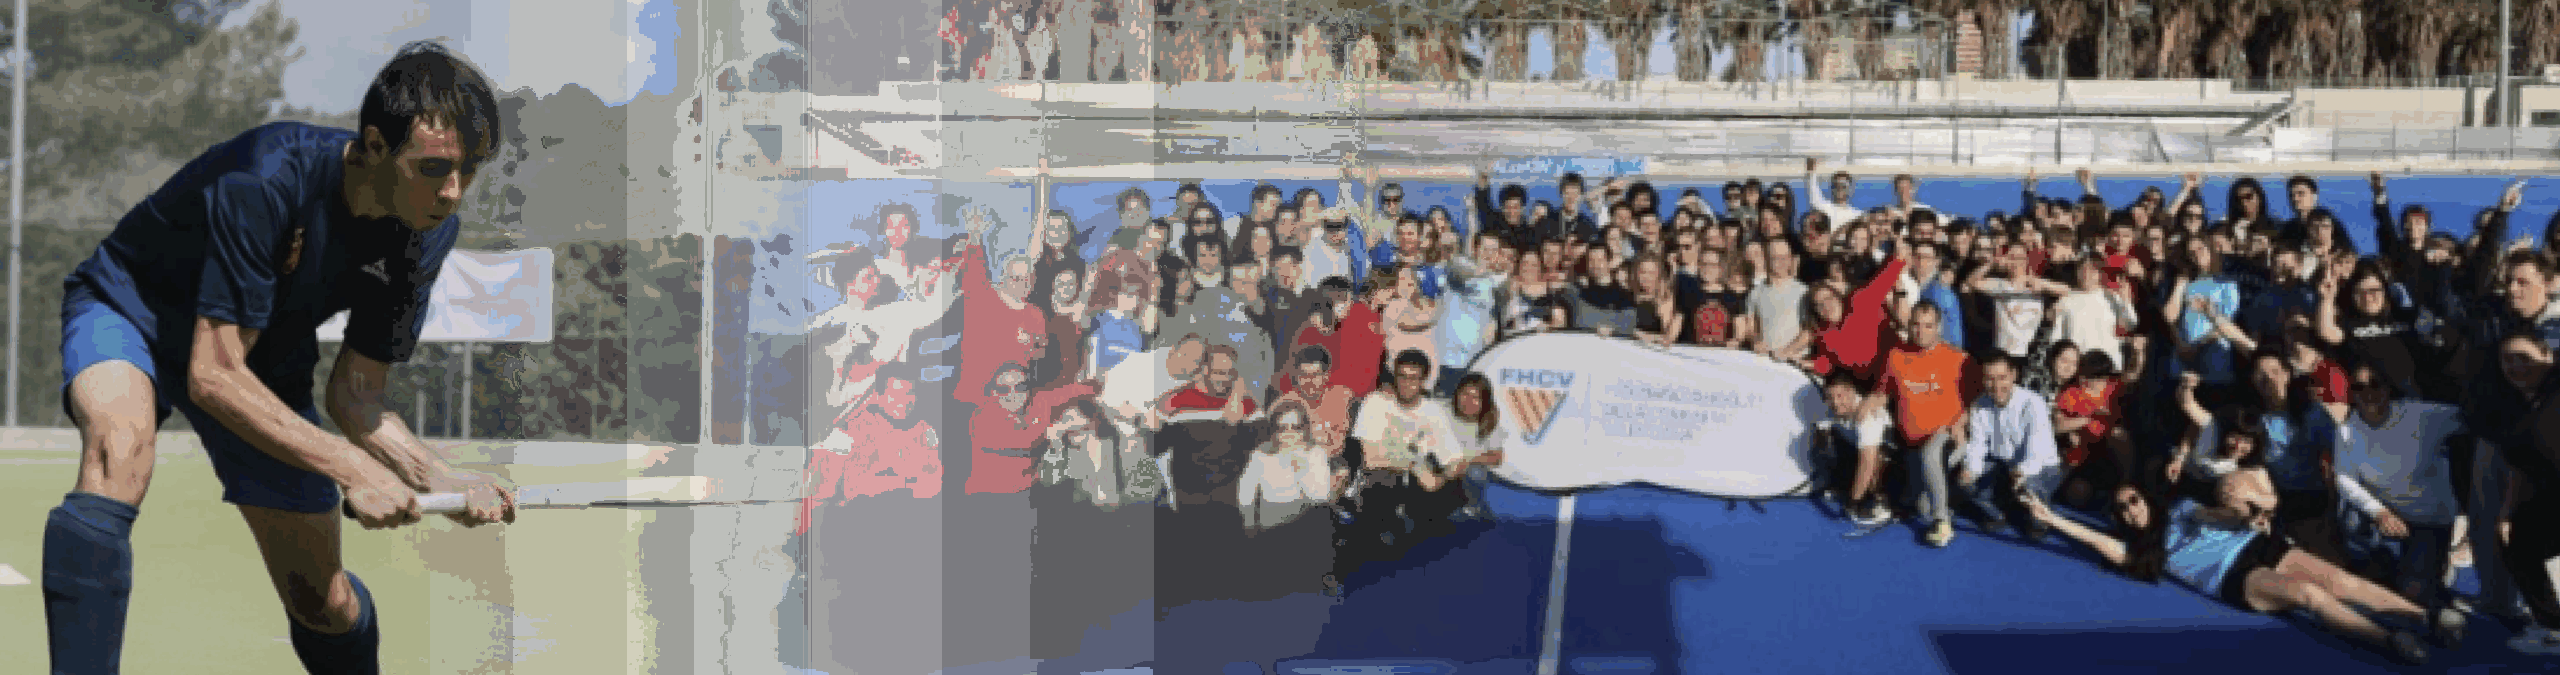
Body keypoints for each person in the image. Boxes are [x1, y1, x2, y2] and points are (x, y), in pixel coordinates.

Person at [44, 41, 519, 675]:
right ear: (374, 145)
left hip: (261, 357)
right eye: (434, 168)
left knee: (324, 602)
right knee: (118, 451)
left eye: (470, 170)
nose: (454, 192)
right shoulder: (267, 177)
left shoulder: (426, 232)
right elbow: (213, 376)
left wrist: (439, 477)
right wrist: (352, 467)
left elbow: (357, 394)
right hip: (131, 309)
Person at [2021, 469, 2449, 666]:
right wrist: (2052, 519)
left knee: (2341, 580)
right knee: (2309, 595)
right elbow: (2096, 541)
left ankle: (2423, 617)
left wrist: (2243, 516)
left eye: (2133, 500)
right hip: (2235, 577)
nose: (2130, 509)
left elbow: (2215, 515)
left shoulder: (2182, 509)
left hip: (2258, 543)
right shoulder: (2140, 552)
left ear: (2145, 498)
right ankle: (2390, 640)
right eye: (2121, 509)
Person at [2330, 362, 2466, 635]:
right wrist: (2378, 511)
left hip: (2428, 517)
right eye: (2359, 387)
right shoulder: (2345, 429)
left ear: (2388, 388)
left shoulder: (2422, 414)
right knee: (2352, 528)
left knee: (2411, 595)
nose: (2368, 392)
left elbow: (2473, 418)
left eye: (2375, 384)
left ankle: (2435, 566)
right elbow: (2344, 480)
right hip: (2383, 514)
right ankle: (2392, 564)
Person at [1860, 300, 1971, 548]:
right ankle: (1946, 496)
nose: (1921, 331)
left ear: (1939, 327)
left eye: (1928, 325)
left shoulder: (1959, 359)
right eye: (1916, 325)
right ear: (1909, 325)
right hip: (1911, 445)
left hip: (1948, 438)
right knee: (1921, 508)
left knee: (1931, 455)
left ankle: (1943, 523)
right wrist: (1869, 402)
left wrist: (1961, 423)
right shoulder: (1896, 356)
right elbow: (1883, 392)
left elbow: (1979, 403)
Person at [1955, 355, 2063, 539]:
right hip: (2003, 465)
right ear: (1983, 379)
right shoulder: (1979, 404)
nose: (1996, 386)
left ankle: (2039, 521)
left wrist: (2021, 471)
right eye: (1990, 379)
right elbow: (1977, 445)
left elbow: (2036, 452)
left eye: (2002, 377)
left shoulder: (2033, 403)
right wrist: (1970, 470)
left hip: (2042, 468)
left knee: (2029, 484)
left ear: (2014, 375)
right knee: (1966, 481)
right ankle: (1997, 514)